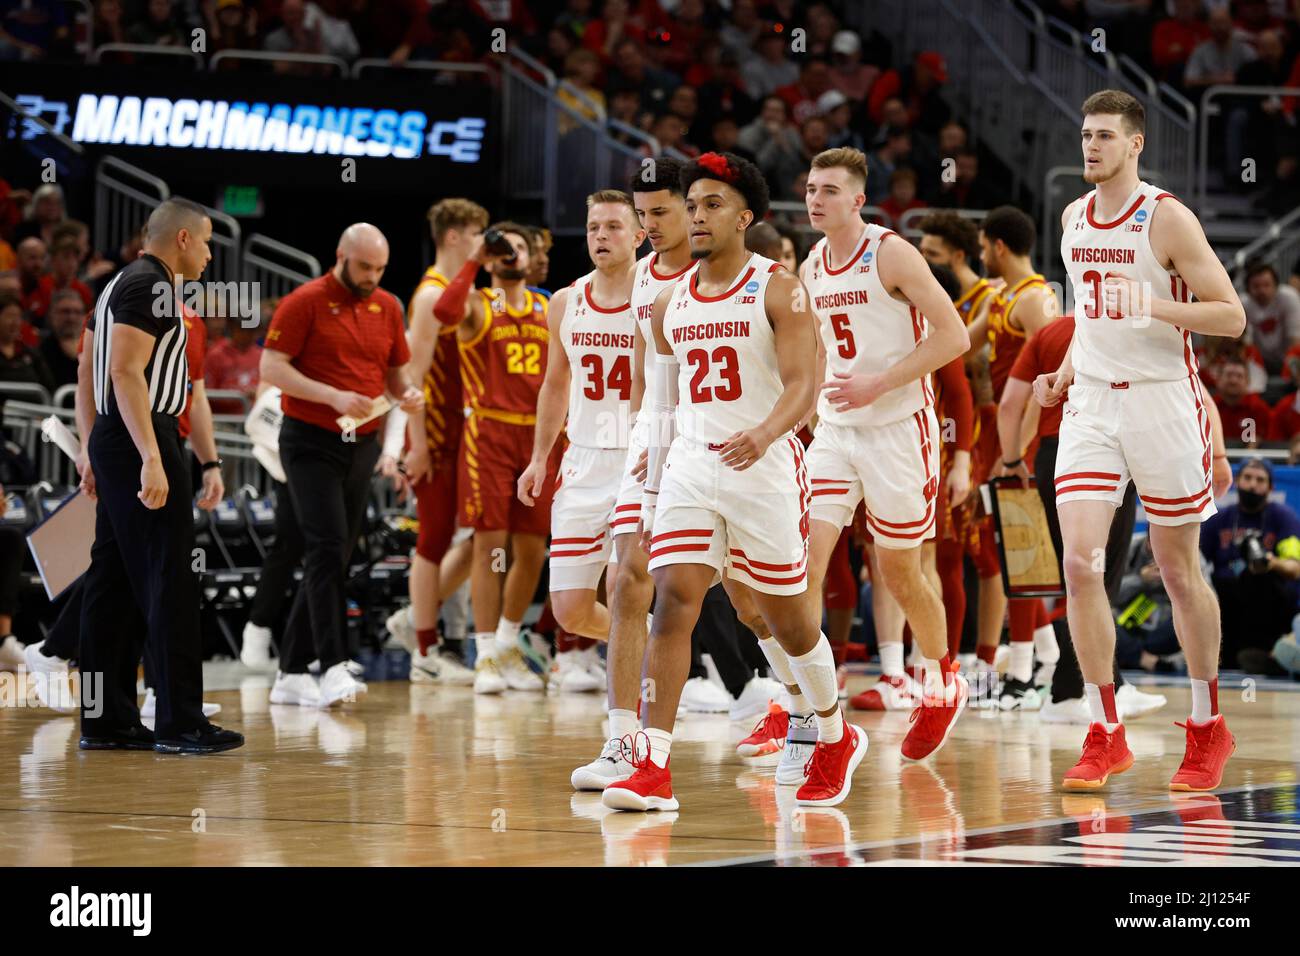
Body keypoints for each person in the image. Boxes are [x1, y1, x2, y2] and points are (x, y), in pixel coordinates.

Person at [604, 151, 848, 813]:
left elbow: (805, 385)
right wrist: (651, 494)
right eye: (693, 204)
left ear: (745, 216)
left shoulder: (779, 288)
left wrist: (766, 434)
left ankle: (831, 728)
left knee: (787, 622)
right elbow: (659, 405)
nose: (699, 215)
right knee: (673, 600)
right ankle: (651, 762)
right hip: (689, 465)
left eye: (713, 205)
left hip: (765, 468)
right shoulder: (666, 302)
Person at [1037, 89, 1246, 792]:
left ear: (1135, 144)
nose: (1090, 145)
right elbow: (1088, 312)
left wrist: (1154, 302)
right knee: (1082, 565)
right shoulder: (1072, 217)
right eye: (1085, 133)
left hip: (1161, 402)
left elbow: (1231, 316)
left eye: (1104, 136)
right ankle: (1104, 730)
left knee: (1177, 568)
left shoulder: (1166, 218)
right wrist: (1065, 369)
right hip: (1093, 404)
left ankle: (1209, 724)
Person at [798, 146, 970, 753]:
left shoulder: (890, 251)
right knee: (803, 561)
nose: (816, 200)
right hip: (837, 433)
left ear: (858, 199)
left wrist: (879, 382)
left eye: (829, 190)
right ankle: (799, 706)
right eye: (812, 188)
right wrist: (805, 415)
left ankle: (943, 681)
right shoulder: (812, 264)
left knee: (898, 571)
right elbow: (820, 351)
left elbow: (954, 336)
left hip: (900, 429)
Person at [78, 197, 241, 754]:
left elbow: (98, 371)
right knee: (170, 578)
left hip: (121, 438)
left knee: (115, 581)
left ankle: (106, 719)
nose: (212, 253)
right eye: (209, 240)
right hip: (140, 437)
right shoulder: (149, 285)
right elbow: (122, 372)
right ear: (182, 240)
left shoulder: (121, 283)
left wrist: (99, 448)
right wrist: (150, 454)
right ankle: (180, 722)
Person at [570, 156, 696, 791]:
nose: (650, 225)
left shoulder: (729, 273)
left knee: (762, 607)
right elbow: (648, 381)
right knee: (624, 582)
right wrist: (649, 440)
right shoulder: (640, 282)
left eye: (659, 213)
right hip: (652, 449)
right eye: (641, 215)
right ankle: (624, 740)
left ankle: (805, 708)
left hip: (728, 450)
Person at [260, 223, 423, 708]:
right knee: (327, 548)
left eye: (379, 269)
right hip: (309, 440)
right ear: (341, 256)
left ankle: (290, 671)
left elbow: (395, 374)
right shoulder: (305, 300)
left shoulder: (389, 306)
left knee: (339, 554)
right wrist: (331, 395)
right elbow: (272, 367)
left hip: (363, 442)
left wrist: (405, 395)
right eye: (364, 267)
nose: (371, 276)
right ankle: (330, 665)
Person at [518, 189, 642, 690]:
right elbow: (555, 383)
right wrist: (538, 459)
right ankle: (656, 641)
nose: (601, 236)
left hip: (638, 457)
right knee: (570, 610)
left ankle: (634, 711)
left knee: (622, 586)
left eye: (613, 226)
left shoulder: (659, 297)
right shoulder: (566, 302)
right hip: (583, 457)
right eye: (593, 228)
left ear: (638, 235)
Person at [432, 221, 555, 694]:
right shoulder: (481, 304)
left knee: (531, 550)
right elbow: (443, 311)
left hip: (540, 439)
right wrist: (475, 259)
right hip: (490, 433)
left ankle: (507, 645)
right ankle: (483, 651)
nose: (512, 253)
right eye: (504, 247)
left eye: (520, 246)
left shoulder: (548, 305)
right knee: (492, 546)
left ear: (531, 256)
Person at [388, 198, 486, 684]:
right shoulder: (430, 296)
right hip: (437, 432)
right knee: (432, 541)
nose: (482, 245)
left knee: (473, 540)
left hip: (466, 433)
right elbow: (414, 377)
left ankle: (414, 620)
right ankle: (424, 649)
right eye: (475, 235)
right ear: (453, 237)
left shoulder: (461, 290)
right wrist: (418, 443)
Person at [971, 206, 1056, 708]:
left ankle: (1023, 673)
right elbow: (960, 346)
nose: (983, 255)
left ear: (999, 246)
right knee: (1001, 549)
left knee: (1022, 552)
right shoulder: (1001, 296)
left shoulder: (1036, 300)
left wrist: (1018, 451)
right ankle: (1042, 654)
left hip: (1023, 439)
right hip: (1002, 436)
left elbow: (1046, 384)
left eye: (984, 246)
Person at [1200, 458, 1300, 668]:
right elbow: (1196, 560)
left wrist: (1272, 563)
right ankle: (1228, 655)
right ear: (1236, 481)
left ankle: (1266, 652)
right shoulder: (1220, 518)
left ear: (1270, 487)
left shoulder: (1284, 518)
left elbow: (1294, 568)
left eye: (1260, 480)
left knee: (1256, 579)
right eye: (1247, 478)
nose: (1253, 484)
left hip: (1270, 598)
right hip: (1227, 596)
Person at [1241, 261, 1300, 376]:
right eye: (1256, 286)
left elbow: (1295, 337)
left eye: (1266, 285)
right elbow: (1242, 342)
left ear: (1276, 286)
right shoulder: (1244, 303)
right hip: (1259, 359)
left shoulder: (1289, 297)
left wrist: (1291, 368)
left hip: (1287, 355)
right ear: (1248, 289)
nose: (1262, 291)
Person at [1211, 356, 1272, 445]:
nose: (1233, 381)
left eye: (1239, 376)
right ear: (1218, 380)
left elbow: (1259, 440)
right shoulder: (1209, 407)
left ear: (1247, 381)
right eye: (1229, 375)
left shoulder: (1258, 408)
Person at [38, 288, 84, 388]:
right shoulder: (42, 351)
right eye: (65, 312)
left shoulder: (95, 349)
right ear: (52, 314)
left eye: (77, 312)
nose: (71, 318)